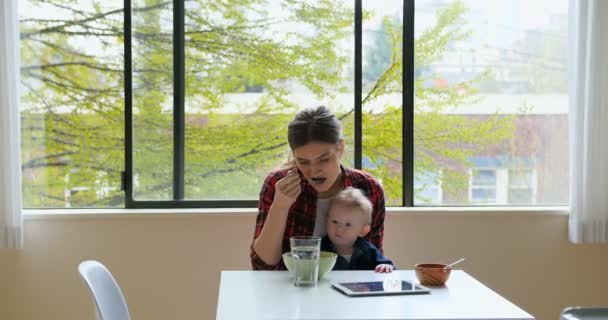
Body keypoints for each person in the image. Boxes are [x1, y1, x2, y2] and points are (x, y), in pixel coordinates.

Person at [250, 106, 386, 270]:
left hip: (349, 290)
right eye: (304, 162)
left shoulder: (368, 188)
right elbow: (263, 265)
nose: (314, 171)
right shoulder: (278, 184)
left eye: (323, 159)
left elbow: (373, 263)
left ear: (340, 148)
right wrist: (280, 206)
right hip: (290, 290)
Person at [321, 187, 393, 272]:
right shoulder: (320, 249)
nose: (339, 229)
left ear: (363, 231)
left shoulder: (367, 250)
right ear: (326, 221)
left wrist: (385, 266)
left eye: (348, 225)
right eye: (335, 221)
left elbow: (385, 264)